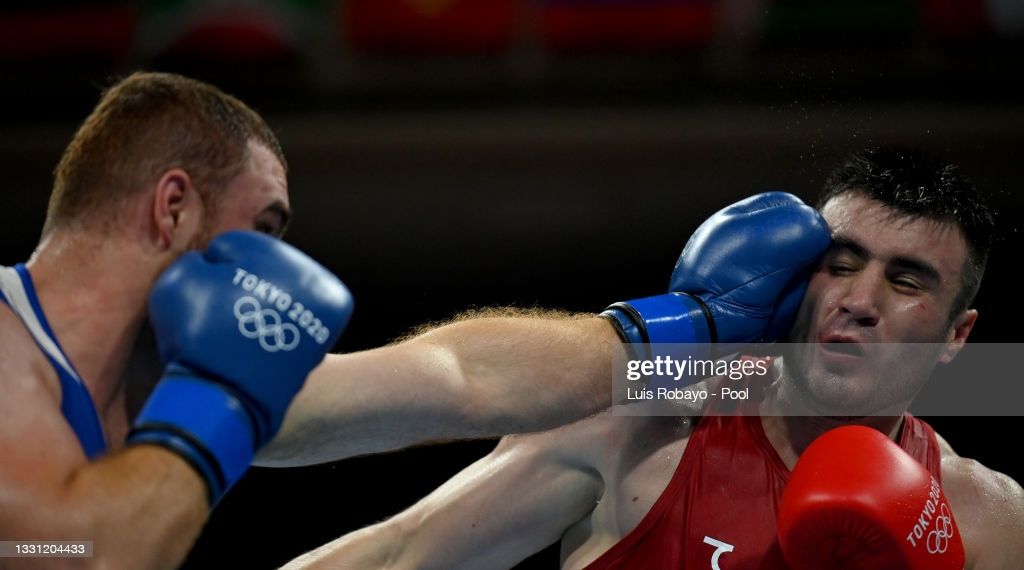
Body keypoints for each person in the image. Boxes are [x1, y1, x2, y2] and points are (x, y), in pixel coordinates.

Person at [0, 71, 825, 568]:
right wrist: (216, 404)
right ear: (173, 207)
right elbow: (84, 555)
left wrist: (688, 330)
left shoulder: (143, 384)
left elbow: (459, 381)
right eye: (266, 230)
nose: (278, 267)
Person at [281, 147, 1024, 570]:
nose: (858, 299)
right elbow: (397, 553)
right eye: (840, 263)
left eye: (905, 282)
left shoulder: (988, 521)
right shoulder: (644, 419)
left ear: (957, 337)